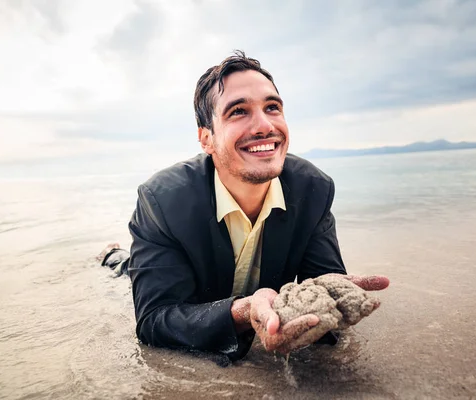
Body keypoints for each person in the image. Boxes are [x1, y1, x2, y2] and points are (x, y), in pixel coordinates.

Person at [100, 50, 390, 362]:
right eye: (239, 111)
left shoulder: (314, 189)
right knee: (124, 267)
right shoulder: (161, 200)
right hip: (180, 282)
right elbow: (154, 320)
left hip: (255, 298)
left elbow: (322, 284)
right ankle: (110, 254)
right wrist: (243, 310)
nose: (265, 125)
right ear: (206, 139)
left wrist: (331, 299)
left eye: (273, 107)